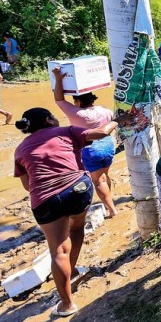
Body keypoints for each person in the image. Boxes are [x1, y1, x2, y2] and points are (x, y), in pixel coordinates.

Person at [14, 107, 119, 316]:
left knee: (59, 251)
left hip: (46, 200)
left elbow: (27, 186)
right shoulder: (66, 131)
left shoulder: (20, 150)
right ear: (48, 119)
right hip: (78, 189)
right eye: (53, 116)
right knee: (77, 227)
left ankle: (67, 304)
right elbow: (102, 133)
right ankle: (69, 272)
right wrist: (117, 119)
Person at [52, 67, 118, 218]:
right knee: (105, 175)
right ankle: (109, 200)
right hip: (108, 145)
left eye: (74, 100)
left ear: (78, 101)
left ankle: (112, 210)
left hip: (91, 149)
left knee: (98, 180)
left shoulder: (79, 114)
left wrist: (58, 78)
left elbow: (59, 99)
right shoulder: (104, 110)